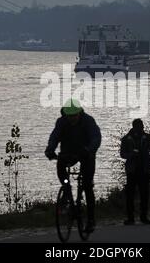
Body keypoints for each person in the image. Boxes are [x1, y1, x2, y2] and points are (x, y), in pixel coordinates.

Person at [45, 98, 101, 233]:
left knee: (87, 186)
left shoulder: (88, 121)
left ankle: (91, 220)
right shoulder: (61, 122)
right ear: (65, 115)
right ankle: (66, 189)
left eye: (74, 116)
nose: (71, 119)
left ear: (79, 113)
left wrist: (89, 149)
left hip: (86, 153)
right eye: (69, 116)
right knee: (60, 165)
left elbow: (96, 137)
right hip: (68, 152)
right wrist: (50, 149)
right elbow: (54, 136)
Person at [120, 118, 150, 225]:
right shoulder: (126, 139)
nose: (142, 128)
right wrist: (131, 154)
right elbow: (122, 154)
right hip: (132, 170)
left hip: (144, 169)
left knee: (144, 194)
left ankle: (143, 216)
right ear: (134, 127)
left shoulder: (147, 137)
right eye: (139, 126)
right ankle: (130, 218)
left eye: (142, 126)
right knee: (130, 195)